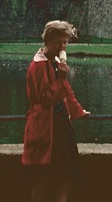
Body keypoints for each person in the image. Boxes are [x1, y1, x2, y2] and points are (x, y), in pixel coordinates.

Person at [22, 20, 90, 202]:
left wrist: (77, 110)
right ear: (48, 41)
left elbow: (65, 90)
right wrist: (61, 78)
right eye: (59, 42)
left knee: (66, 175)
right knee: (44, 177)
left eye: (65, 42)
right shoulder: (38, 66)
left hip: (60, 125)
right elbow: (45, 99)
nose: (63, 46)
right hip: (45, 126)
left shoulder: (54, 62)